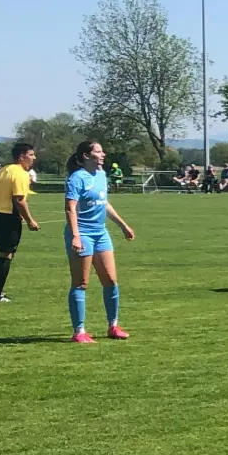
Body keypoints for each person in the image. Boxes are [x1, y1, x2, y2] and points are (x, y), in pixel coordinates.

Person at [63, 141, 136, 342]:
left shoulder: (101, 175)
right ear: (86, 156)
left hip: (100, 233)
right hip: (82, 233)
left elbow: (104, 203)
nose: (103, 154)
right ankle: (79, 331)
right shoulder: (77, 178)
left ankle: (113, 326)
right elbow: (70, 208)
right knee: (81, 283)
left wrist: (123, 225)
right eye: (98, 151)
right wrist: (76, 235)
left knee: (110, 280)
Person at [0, 142, 42, 302]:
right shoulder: (21, 173)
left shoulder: (3, 171)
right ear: (22, 156)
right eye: (31, 155)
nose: (34, 158)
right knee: (7, 253)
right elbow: (19, 200)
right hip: (7, 217)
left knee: (4, 251)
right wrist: (30, 220)